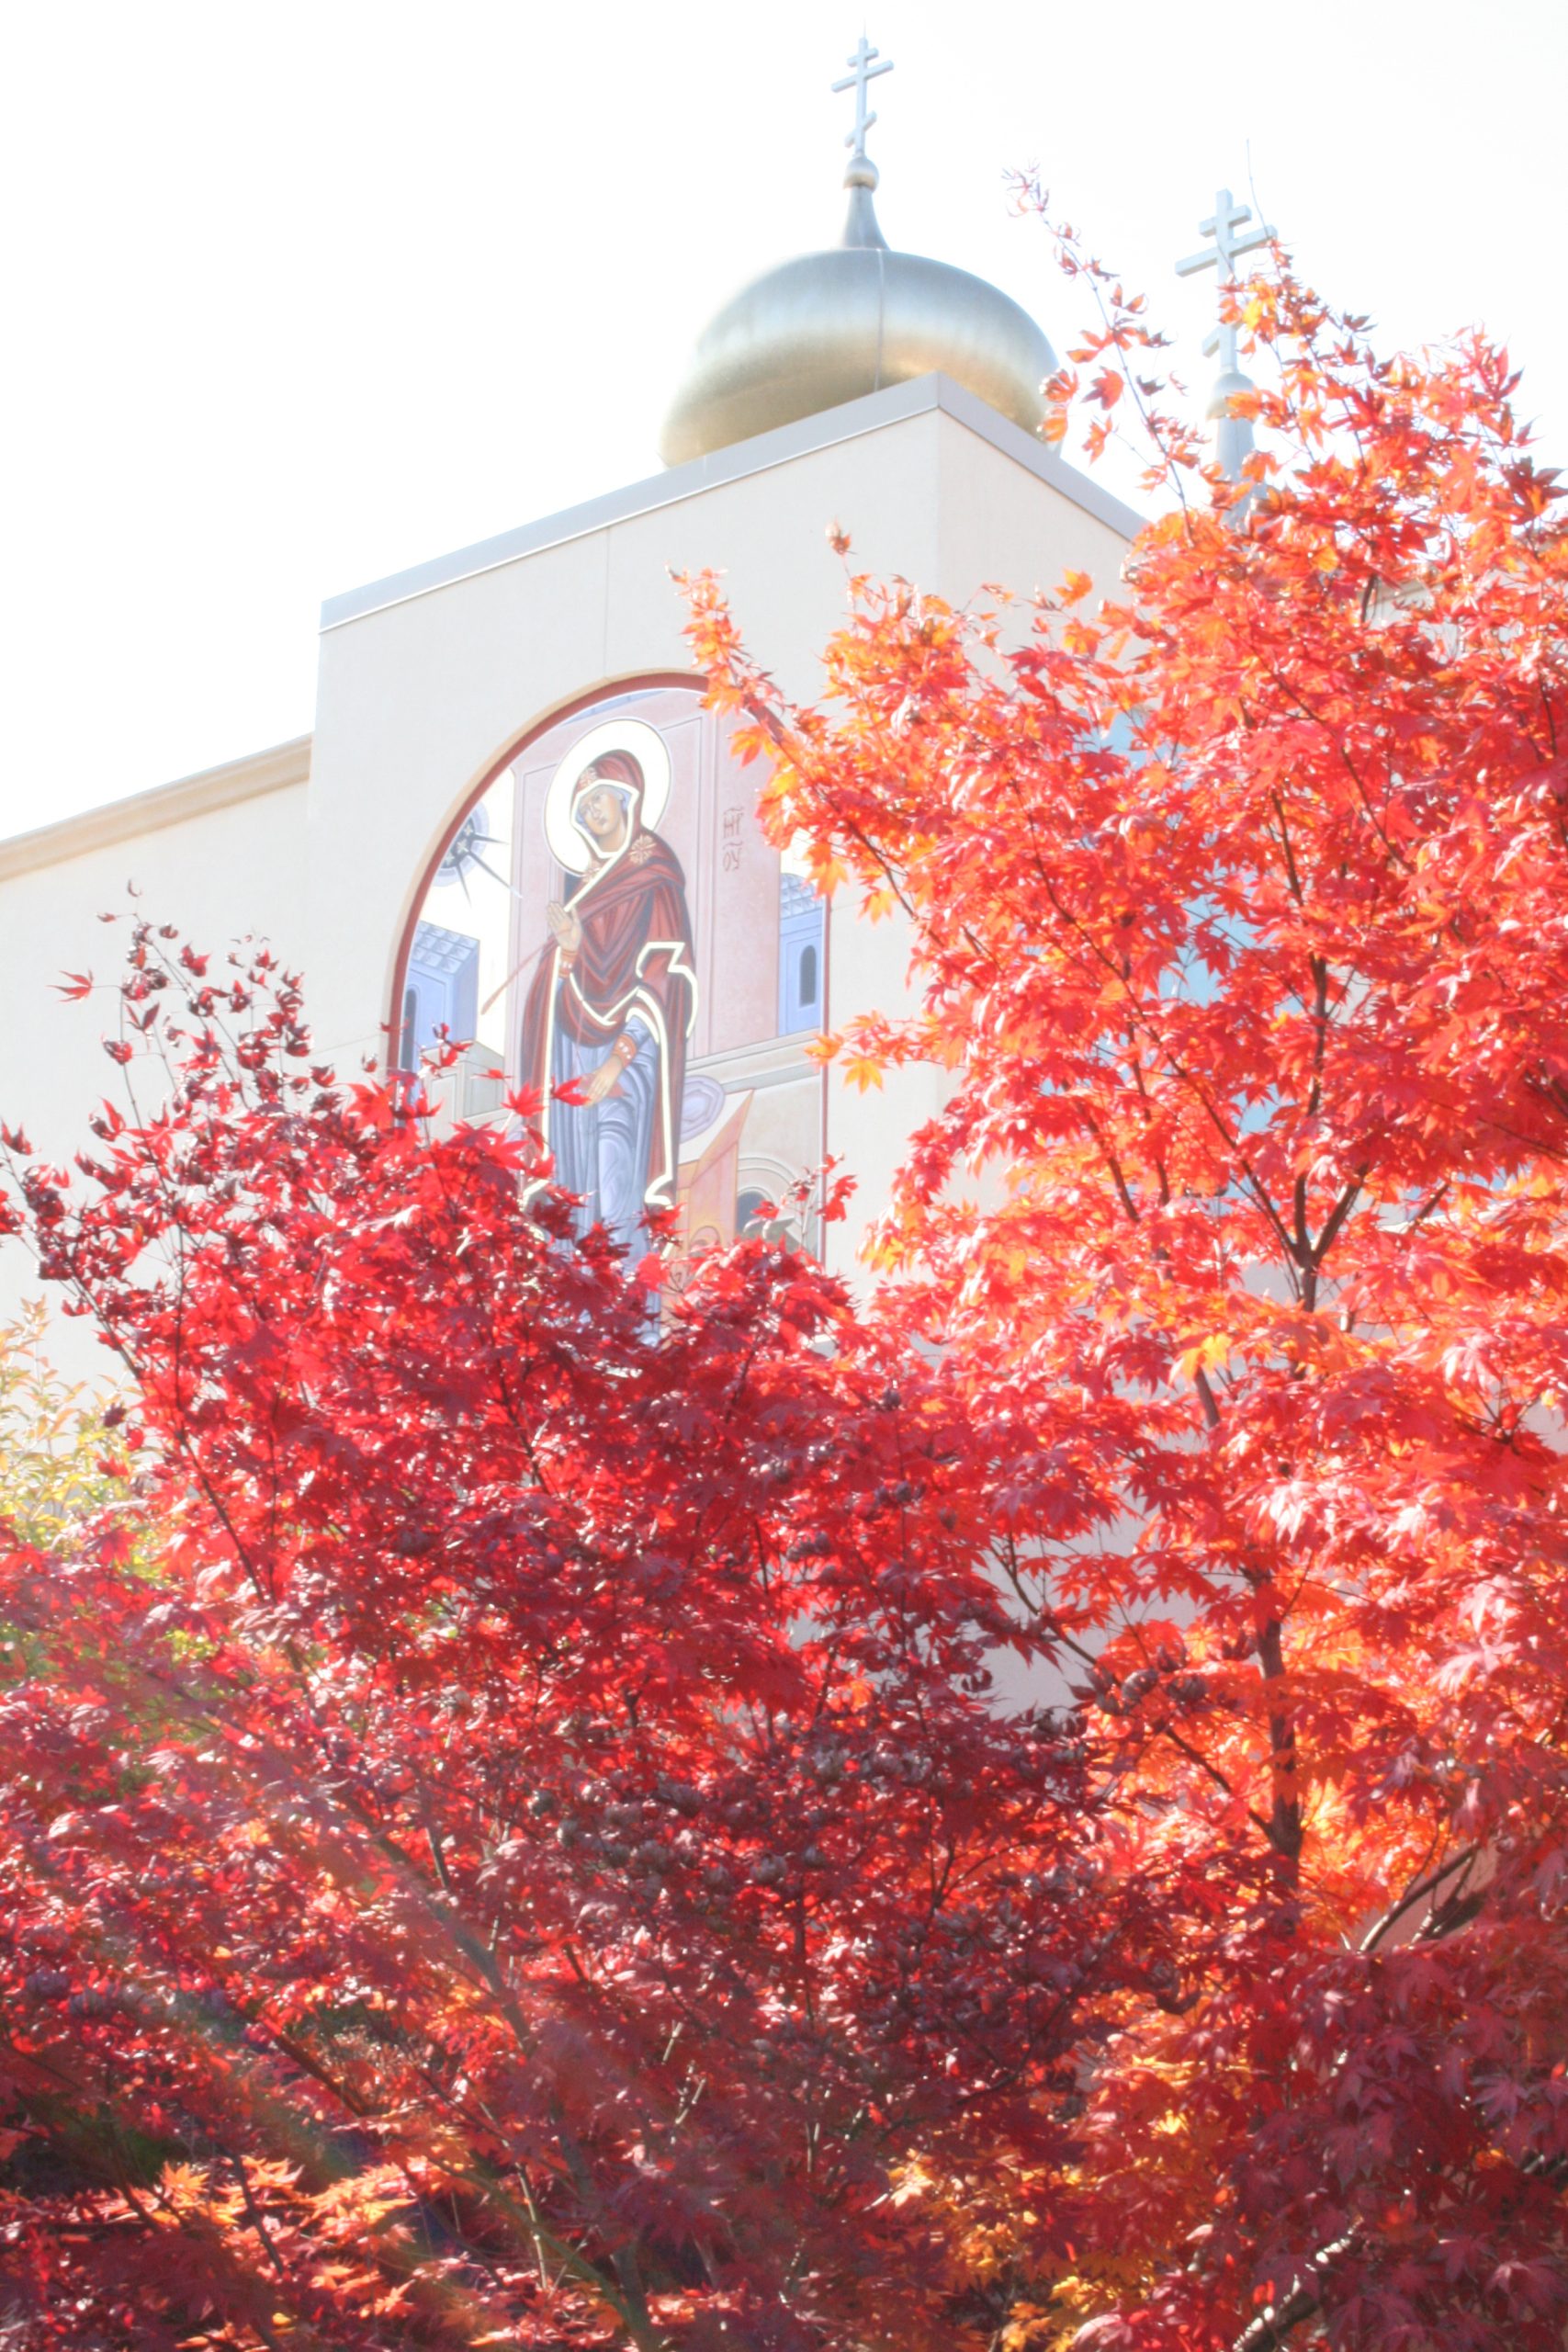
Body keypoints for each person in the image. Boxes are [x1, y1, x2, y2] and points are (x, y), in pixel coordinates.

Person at [518, 751, 696, 1255]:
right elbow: (554, 995)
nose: (591, 812)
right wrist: (569, 952)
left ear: (625, 798)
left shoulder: (653, 875)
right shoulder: (584, 894)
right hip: (577, 1057)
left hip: (631, 1062)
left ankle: (628, 1300)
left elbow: (664, 976)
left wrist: (618, 1060)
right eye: (582, 808)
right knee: (576, 1191)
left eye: (597, 799)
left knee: (617, 1181)